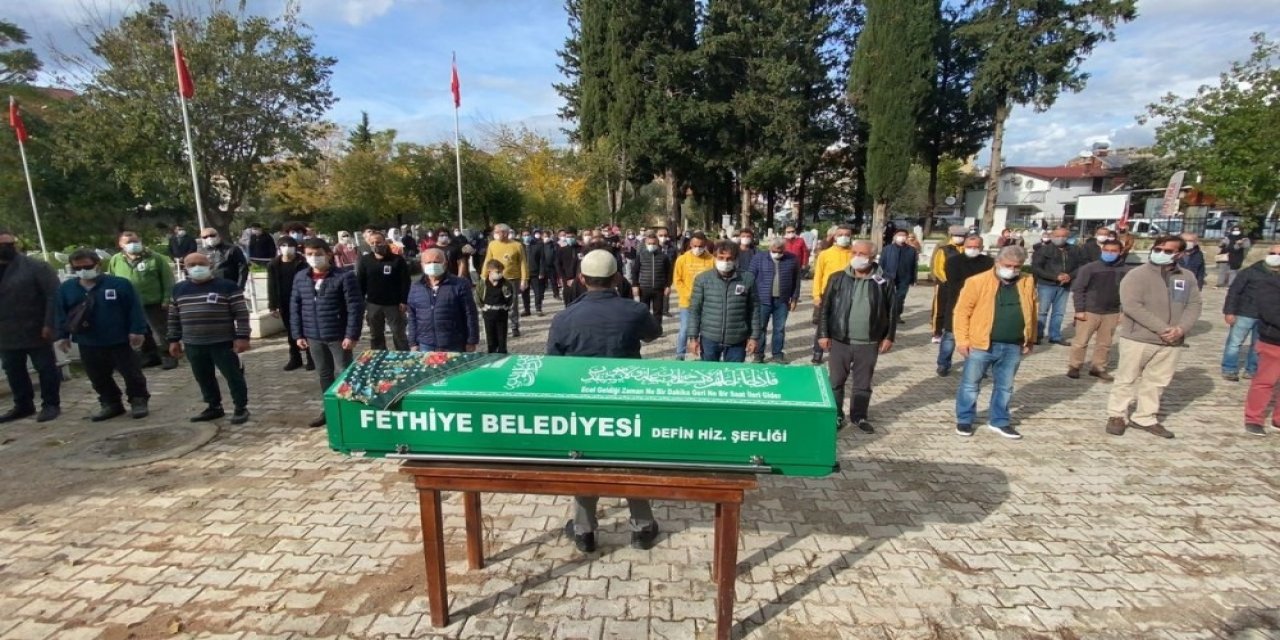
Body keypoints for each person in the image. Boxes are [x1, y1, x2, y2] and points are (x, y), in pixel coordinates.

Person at [548, 249, 662, 553]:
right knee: (631, 461)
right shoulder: (635, 311)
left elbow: (552, 364)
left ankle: (584, 530)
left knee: (585, 461)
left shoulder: (564, 317)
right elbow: (653, 334)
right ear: (617, 278)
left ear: (581, 279)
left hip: (583, 405)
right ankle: (642, 528)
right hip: (627, 401)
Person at [1106, 236, 1202, 438]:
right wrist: (1163, 329)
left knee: (1157, 381)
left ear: (1179, 254)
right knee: (1127, 378)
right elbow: (1132, 306)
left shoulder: (1187, 277)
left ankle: (1145, 417)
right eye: (1158, 249)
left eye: (1168, 251)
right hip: (1138, 338)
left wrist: (1181, 329)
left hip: (1172, 341)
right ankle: (1117, 415)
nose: (1161, 253)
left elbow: (1194, 305)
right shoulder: (1137, 275)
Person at [54, 249, 151, 421]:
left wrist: (137, 330)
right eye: (77, 268)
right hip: (88, 340)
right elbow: (61, 313)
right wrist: (62, 335)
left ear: (97, 264)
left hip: (119, 338)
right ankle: (110, 403)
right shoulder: (67, 288)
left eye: (87, 266)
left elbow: (134, 309)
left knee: (131, 373)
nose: (83, 271)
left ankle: (138, 399)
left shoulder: (119, 284)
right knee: (97, 376)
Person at [952, 245, 1037, 439]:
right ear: (997, 262)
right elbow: (962, 312)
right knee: (970, 384)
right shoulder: (977, 281)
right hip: (981, 343)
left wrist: (1031, 338)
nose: (1012, 270)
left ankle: (999, 421)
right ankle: (965, 419)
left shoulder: (1027, 281)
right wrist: (962, 340)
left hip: (1013, 344)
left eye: (1017, 266)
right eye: (1008, 265)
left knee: (1005, 386)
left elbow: (1033, 309)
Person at [817, 239, 897, 433]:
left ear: (872, 257)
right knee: (836, 381)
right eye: (854, 253)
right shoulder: (838, 278)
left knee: (863, 383)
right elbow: (825, 308)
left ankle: (859, 416)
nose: (856, 257)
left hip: (869, 341)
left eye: (862, 254)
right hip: (840, 340)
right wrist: (823, 334)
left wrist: (889, 336)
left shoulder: (884, 280)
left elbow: (892, 311)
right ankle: (836, 415)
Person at [167, 253, 251, 424]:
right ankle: (214, 406)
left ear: (210, 265)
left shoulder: (227, 286)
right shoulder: (179, 289)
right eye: (192, 265)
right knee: (203, 377)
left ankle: (241, 407)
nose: (197, 268)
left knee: (233, 376)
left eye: (201, 263)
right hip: (193, 343)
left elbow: (241, 314)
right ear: (185, 268)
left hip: (222, 342)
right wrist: (173, 339)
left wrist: (242, 337)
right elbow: (173, 316)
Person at [290, 238, 364, 428]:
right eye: (309, 254)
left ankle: (348, 410)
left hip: (338, 335)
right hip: (313, 336)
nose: (314, 258)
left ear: (328, 254)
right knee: (324, 374)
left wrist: (351, 335)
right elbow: (295, 306)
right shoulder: (301, 277)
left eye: (318, 254)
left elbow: (355, 307)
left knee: (344, 373)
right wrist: (298, 334)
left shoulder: (344, 276)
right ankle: (329, 410)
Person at [0, 230, 62, 423]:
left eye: (9, 244)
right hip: (6, 332)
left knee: (45, 367)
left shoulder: (36, 267)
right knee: (13, 369)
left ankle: (51, 404)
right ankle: (23, 405)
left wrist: (49, 323)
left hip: (35, 327)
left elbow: (53, 296)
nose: (6, 248)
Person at [105, 231, 177, 370]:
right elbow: (111, 281)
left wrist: (167, 298)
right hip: (129, 303)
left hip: (154, 301)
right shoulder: (116, 260)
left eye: (135, 241)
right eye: (128, 242)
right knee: (141, 330)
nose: (133, 244)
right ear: (120, 244)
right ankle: (150, 356)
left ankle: (168, 355)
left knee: (161, 330)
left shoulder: (155, 258)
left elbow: (167, 279)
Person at [687, 241, 760, 362]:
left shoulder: (747, 279)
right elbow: (695, 310)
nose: (725, 262)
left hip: (737, 339)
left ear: (735, 259)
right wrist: (693, 338)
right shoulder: (703, 279)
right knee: (709, 372)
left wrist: (754, 337)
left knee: (733, 372)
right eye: (721, 258)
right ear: (715, 257)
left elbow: (754, 310)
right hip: (709, 338)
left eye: (729, 258)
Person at [1067, 239, 1129, 381]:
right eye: (1106, 250)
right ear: (1102, 250)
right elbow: (1079, 289)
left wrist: (1124, 311)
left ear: (1120, 252)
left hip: (1111, 312)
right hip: (1090, 310)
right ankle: (1074, 366)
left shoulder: (1126, 270)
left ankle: (1098, 367)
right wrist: (1079, 310)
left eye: (1113, 251)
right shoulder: (1089, 268)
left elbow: (1129, 293)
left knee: (1105, 343)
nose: (1109, 253)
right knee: (1081, 341)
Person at [936, 235, 994, 376]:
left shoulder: (989, 262)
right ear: (964, 247)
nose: (972, 249)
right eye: (969, 247)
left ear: (981, 247)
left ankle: (976, 365)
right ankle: (943, 364)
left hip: (981, 304)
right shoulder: (953, 261)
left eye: (976, 247)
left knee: (977, 336)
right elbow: (954, 282)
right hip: (957, 301)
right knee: (950, 335)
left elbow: (990, 282)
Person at [406, 248, 479, 352]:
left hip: (453, 343)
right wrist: (412, 342)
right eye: (428, 262)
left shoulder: (460, 285)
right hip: (426, 344)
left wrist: (471, 340)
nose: (432, 265)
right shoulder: (416, 287)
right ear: (422, 265)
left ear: (445, 263)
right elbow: (412, 316)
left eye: (436, 262)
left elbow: (470, 314)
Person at [1242, 245, 1280, 435]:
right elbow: (1271, 312)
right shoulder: (1271, 283)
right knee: (1265, 381)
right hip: (1274, 340)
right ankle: (1254, 418)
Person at [747, 237, 800, 363]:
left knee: (779, 329)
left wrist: (794, 298)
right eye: (775, 250)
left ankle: (777, 354)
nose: (777, 253)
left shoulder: (792, 259)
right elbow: (750, 277)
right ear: (770, 248)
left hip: (782, 301)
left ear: (784, 249)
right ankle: (759, 354)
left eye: (780, 251)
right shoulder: (759, 258)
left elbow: (796, 280)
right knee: (760, 328)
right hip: (762, 300)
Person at [356, 231, 410, 352]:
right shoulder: (365, 260)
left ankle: (403, 355)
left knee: (398, 333)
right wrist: (361, 301)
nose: (375, 245)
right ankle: (379, 355)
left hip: (394, 304)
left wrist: (404, 300)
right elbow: (360, 282)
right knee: (376, 334)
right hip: (373, 303)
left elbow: (405, 281)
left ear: (385, 242)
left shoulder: (397, 260)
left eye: (378, 242)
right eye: (372, 243)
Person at [1222, 245, 1270, 382]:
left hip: (1266, 316)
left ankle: (1252, 370)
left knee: (1258, 346)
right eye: (1273, 253)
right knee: (1234, 343)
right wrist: (1229, 311)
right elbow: (1234, 292)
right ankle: (1229, 369)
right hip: (1244, 312)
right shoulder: (1250, 271)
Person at [1030, 226, 1082, 345]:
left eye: (1064, 236)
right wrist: (1055, 276)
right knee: (1042, 311)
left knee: (1059, 312)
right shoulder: (1043, 250)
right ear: (1052, 236)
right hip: (1047, 285)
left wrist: (1070, 276)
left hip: (1065, 285)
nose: (1061, 238)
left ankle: (1055, 336)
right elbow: (1036, 268)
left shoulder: (1074, 250)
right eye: (1058, 236)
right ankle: (1037, 335)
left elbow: (1081, 265)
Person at [267, 237, 313, 371]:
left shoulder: (303, 262)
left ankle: (311, 357)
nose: (287, 248)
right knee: (291, 331)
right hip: (285, 302)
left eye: (290, 245)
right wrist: (272, 305)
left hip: (303, 301)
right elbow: (271, 285)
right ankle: (295, 358)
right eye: (283, 245)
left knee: (306, 329)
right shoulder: (274, 264)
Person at [812, 225, 856, 364]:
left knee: (844, 324)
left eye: (847, 234)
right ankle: (817, 352)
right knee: (823, 324)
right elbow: (818, 276)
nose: (844, 237)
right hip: (828, 294)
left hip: (849, 294)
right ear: (834, 237)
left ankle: (840, 353)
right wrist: (816, 296)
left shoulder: (854, 254)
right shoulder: (825, 254)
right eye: (840, 234)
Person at [672, 232, 715, 360]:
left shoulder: (712, 260)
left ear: (705, 244)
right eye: (695, 246)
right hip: (687, 302)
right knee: (685, 329)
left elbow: (715, 280)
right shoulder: (682, 259)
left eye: (700, 246)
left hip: (706, 302)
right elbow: (677, 280)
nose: (697, 248)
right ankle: (680, 354)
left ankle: (704, 355)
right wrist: (688, 294)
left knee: (705, 330)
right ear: (690, 244)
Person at [483, 224, 528, 338]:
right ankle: (500, 327)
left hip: (512, 279)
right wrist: (484, 276)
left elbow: (523, 263)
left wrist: (524, 279)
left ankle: (514, 326)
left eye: (498, 232)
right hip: (495, 278)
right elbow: (488, 260)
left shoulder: (517, 245)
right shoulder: (492, 244)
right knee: (497, 303)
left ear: (505, 233)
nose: (496, 234)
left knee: (512, 303)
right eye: (495, 232)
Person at [929, 225, 967, 344]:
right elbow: (938, 267)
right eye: (957, 235)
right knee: (940, 309)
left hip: (963, 285)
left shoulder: (967, 249)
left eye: (961, 236)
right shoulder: (944, 248)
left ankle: (954, 330)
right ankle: (937, 332)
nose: (959, 238)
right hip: (945, 284)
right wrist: (946, 281)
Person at [630, 231, 673, 334]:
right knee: (644, 311)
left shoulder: (663, 257)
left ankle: (657, 330)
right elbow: (635, 272)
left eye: (653, 243)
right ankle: (644, 331)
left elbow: (669, 272)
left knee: (658, 311)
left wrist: (668, 285)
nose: (651, 245)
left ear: (657, 244)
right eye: (649, 243)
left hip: (659, 288)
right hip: (644, 288)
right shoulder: (640, 256)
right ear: (645, 243)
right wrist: (635, 285)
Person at [475, 259, 516, 353]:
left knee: (502, 340)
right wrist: (482, 307)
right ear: (489, 271)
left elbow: (511, 297)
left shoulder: (506, 284)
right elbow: (477, 297)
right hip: (488, 314)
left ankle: (502, 354)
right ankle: (492, 356)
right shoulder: (482, 283)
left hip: (502, 314)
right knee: (490, 341)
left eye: (501, 272)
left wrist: (507, 306)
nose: (500, 274)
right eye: (497, 272)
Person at [878, 229, 918, 323]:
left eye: (904, 235)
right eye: (900, 235)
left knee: (900, 297)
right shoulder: (887, 249)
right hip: (888, 276)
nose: (902, 237)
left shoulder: (911, 250)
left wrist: (914, 279)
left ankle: (897, 316)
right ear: (895, 236)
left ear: (906, 237)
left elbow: (914, 265)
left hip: (904, 277)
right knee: (887, 296)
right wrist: (879, 277)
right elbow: (881, 264)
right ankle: (886, 315)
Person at [525, 226, 556, 316]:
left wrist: (541, 272)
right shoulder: (520, 247)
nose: (526, 237)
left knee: (538, 292)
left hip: (536, 273)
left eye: (527, 235)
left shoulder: (538, 246)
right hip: (525, 274)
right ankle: (527, 310)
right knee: (525, 293)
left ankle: (538, 309)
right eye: (524, 235)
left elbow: (542, 260)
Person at [554, 229, 583, 307]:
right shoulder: (562, 250)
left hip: (578, 279)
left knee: (579, 301)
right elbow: (557, 264)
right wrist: (563, 277)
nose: (570, 238)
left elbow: (582, 264)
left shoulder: (581, 249)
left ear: (575, 237)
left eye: (572, 237)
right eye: (568, 237)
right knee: (568, 300)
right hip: (566, 279)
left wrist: (576, 278)